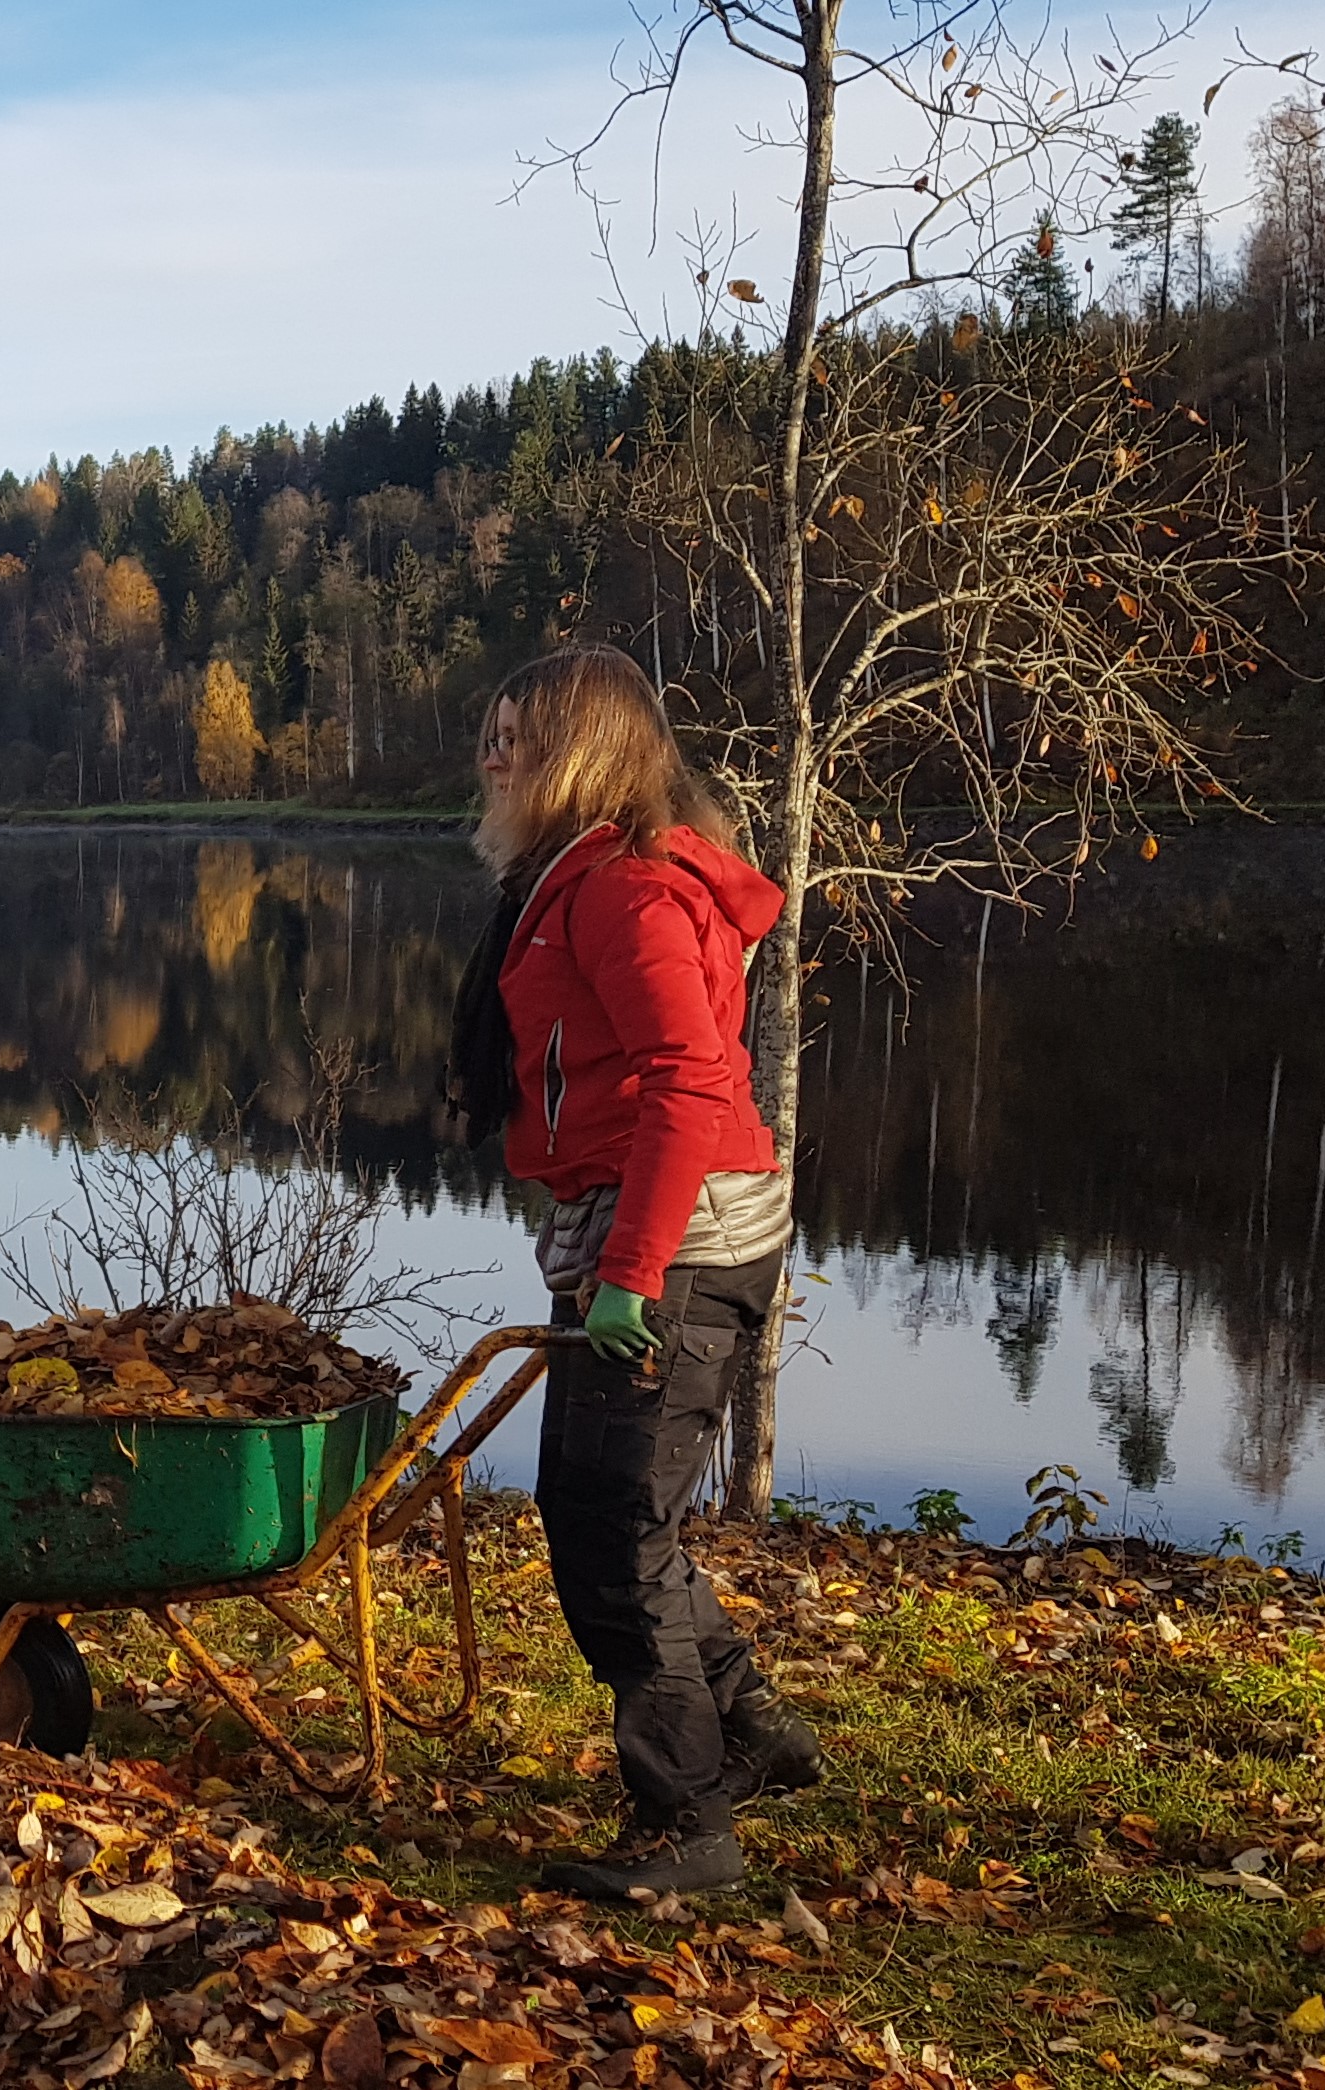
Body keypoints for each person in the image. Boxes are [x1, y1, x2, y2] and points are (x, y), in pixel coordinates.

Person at [448, 646, 823, 1901]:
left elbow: (693, 1080)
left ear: (583, 752)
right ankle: (751, 1730)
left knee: (608, 1533)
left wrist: (631, 1274)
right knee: (617, 1513)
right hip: (650, 1231)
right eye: (492, 732)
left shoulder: (622, 892)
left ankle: (688, 1825)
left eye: (515, 734)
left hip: (672, 1241)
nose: (492, 755)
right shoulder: (581, 881)